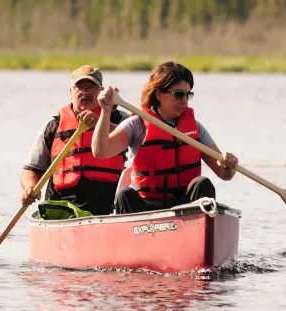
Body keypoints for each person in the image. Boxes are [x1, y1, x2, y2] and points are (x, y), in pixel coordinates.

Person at [87, 61, 239, 214]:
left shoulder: (196, 129)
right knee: (125, 195)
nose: (185, 100)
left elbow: (224, 175)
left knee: (202, 184)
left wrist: (228, 166)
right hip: (146, 210)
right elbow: (100, 151)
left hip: (185, 209)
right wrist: (106, 111)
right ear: (159, 94)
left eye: (188, 94)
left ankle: (198, 230)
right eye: (178, 94)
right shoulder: (137, 125)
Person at [21, 65, 129, 215]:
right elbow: (31, 171)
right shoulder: (53, 127)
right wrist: (29, 188)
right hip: (62, 206)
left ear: (101, 92)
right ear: (70, 92)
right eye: (79, 87)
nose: (85, 92)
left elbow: (139, 139)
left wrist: (101, 122)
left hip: (106, 206)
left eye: (90, 87)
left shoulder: (120, 119)